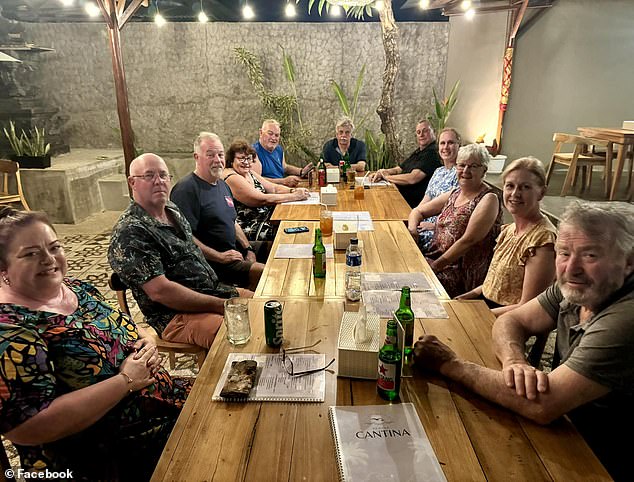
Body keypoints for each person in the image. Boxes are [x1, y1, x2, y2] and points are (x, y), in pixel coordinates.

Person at [414, 201, 634, 481]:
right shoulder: (577, 286)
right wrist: (515, 360)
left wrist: (450, 364)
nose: (571, 268)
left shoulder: (626, 318)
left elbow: (542, 404)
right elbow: (513, 320)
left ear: (629, 262)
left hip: (597, 460)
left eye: (590, 255)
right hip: (563, 431)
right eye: (564, 253)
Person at [0, 207, 190, 480]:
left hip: (164, 403)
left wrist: (144, 338)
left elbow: (123, 327)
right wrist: (125, 381)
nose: (49, 259)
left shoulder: (76, 288)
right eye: (30, 253)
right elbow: (28, 428)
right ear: (3, 267)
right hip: (106, 454)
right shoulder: (11, 331)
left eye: (54, 247)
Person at [109, 153, 251, 349]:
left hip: (214, 292)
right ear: (132, 182)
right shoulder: (131, 231)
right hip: (175, 315)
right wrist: (218, 305)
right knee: (238, 336)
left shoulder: (171, 208)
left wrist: (220, 261)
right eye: (149, 176)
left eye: (163, 175)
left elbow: (190, 243)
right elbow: (161, 292)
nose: (158, 181)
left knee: (265, 309)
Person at [457, 157, 557, 316]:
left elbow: (529, 306)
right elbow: (496, 282)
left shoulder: (542, 240)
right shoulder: (509, 230)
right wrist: (467, 297)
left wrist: (480, 316)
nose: (515, 194)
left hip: (509, 320)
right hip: (487, 306)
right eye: (510, 186)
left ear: (541, 193)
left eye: (525, 187)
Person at [170, 132, 265, 291]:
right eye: (210, 155)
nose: (217, 160)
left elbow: (232, 221)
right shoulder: (186, 190)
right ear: (196, 157)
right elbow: (185, 238)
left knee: (276, 249)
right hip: (214, 264)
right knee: (266, 273)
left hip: (234, 250)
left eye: (220, 154)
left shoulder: (222, 185)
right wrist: (220, 257)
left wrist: (248, 249)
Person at [408, 143, 502, 297]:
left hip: (458, 271)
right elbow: (417, 211)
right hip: (434, 258)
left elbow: (468, 241)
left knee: (412, 290)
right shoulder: (455, 193)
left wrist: (435, 266)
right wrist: (413, 232)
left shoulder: (488, 198)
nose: (465, 171)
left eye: (473, 166)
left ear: (484, 170)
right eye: (462, 165)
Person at [224, 139, 310, 242]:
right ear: (231, 160)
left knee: (300, 222)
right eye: (241, 159)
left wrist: (293, 191)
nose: (246, 162)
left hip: (269, 218)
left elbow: (274, 188)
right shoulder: (232, 176)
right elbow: (261, 200)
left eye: (249, 158)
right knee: (292, 235)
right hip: (251, 226)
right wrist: (295, 196)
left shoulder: (249, 172)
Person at [370, 119, 442, 208]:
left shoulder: (432, 152)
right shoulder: (419, 151)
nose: (421, 135)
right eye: (418, 132)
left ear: (433, 131)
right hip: (399, 195)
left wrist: (386, 177)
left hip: (410, 203)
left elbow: (412, 178)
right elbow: (399, 169)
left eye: (425, 131)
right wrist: (382, 171)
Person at [411, 127, 461, 250]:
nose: (446, 147)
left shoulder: (462, 173)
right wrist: (413, 220)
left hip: (439, 232)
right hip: (422, 225)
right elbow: (424, 202)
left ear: (459, 146)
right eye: (442, 143)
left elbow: (459, 215)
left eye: (451, 143)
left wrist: (435, 226)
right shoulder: (438, 172)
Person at [252, 119, 312, 188]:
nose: (273, 138)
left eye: (277, 135)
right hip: (268, 193)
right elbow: (257, 181)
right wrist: (283, 181)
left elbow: (285, 167)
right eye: (270, 133)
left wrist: (301, 171)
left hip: (282, 189)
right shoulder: (254, 153)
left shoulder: (278, 149)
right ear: (261, 133)